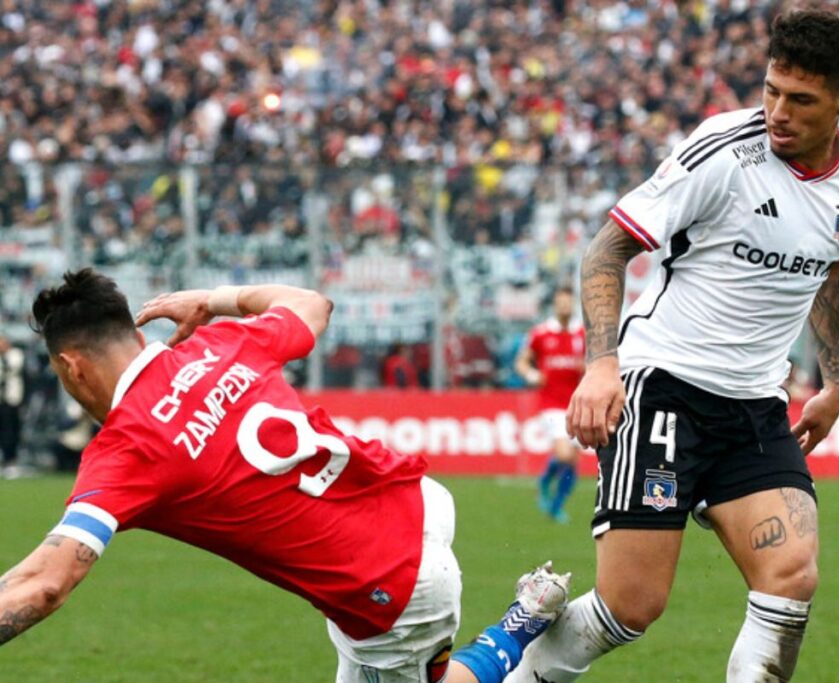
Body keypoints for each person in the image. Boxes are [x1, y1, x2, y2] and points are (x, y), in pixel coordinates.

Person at [508, 10, 839, 682]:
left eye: (800, 99)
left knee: (791, 575)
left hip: (756, 407)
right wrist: (602, 363)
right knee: (633, 605)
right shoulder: (723, 151)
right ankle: (514, 667)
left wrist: (836, 383)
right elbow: (608, 247)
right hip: (664, 388)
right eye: (771, 90)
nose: (778, 111)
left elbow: (833, 266)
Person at [0, 269, 572, 683]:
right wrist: (214, 299)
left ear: (70, 365)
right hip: (413, 502)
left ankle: (519, 628)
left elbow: (46, 582)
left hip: (387, 585)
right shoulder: (221, 341)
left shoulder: (126, 447)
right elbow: (312, 303)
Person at [515, 286, 585, 523]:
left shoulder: (582, 334)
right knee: (564, 455)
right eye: (560, 303)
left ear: (573, 304)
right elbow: (522, 362)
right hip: (551, 403)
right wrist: (532, 375)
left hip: (577, 403)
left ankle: (556, 506)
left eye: (568, 302)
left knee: (574, 460)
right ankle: (545, 481)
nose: (564, 307)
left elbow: (593, 363)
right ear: (555, 306)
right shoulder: (541, 333)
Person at [0, 333, 26, 478]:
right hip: (1, 401)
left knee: (11, 431)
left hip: (12, 399)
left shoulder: (16, 354)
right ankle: (4, 460)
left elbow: (11, 368)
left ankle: (11, 461)